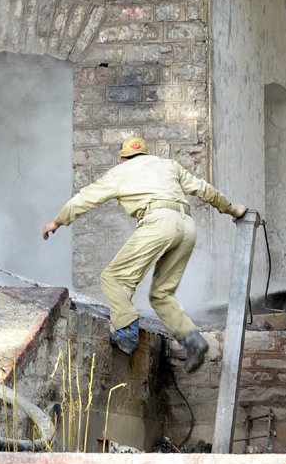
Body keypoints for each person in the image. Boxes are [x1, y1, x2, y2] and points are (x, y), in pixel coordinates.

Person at [41, 136, 248, 372]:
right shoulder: (168, 165)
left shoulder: (120, 172)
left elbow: (84, 199)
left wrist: (57, 222)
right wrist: (232, 209)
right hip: (186, 226)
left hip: (158, 222)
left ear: (122, 157)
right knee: (161, 294)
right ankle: (192, 340)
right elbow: (203, 189)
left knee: (114, 278)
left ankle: (127, 335)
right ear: (147, 153)